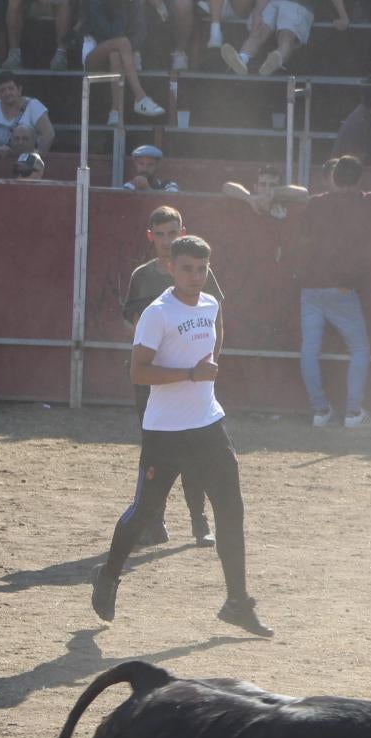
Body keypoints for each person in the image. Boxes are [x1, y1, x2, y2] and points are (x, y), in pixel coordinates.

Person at [93, 235, 272, 636]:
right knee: (143, 513)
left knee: (231, 510)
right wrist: (191, 374)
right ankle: (108, 574)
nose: (196, 276)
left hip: (209, 425)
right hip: (166, 433)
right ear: (171, 267)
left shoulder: (210, 304)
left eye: (202, 269)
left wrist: (208, 365)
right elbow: (138, 373)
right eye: (188, 268)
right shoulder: (157, 313)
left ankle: (237, 602)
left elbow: (216, 329)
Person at [120, 205, 221, 550]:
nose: (167, 240)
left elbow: (216, 319)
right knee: (157, 452)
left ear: (182, 231)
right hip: (155, 379)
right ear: (151, 237)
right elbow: (137, 330)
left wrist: (208, 367)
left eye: (172, 232)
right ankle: (153, 521)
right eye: (160, 234)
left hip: (194, 380)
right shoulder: (143, 276)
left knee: (195, 450)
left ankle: (199, 522)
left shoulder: (197, 270)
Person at [294, 156, 371, 428]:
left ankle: (320, 411)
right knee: (359, 348)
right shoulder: (365, 201)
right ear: (359, 179)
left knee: (309, 351)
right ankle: (353, 413)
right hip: (341, 288)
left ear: (333, 177)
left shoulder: (315, 203)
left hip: (310, 288)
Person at [82, 0, 168, 119]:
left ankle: (115, 114)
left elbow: (132, 34)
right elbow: (105, 34)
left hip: (113, 50)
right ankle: (140, 97)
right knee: (123, 43)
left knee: (115, 56)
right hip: (91, 53)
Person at [222, 0, 345, 76]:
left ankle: (270, 59)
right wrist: (258, 12)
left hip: (297, 3)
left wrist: (343, 16)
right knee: (261, 32)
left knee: (284, 36)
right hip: (276, 3)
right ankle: (242, 60)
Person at [0, 73, 55, 152]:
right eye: (2, 90)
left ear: (19, 90)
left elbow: (49, 134)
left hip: (27, 161)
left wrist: (37, 157)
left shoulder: (33, 105)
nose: (7, 93)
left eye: (11, 88)